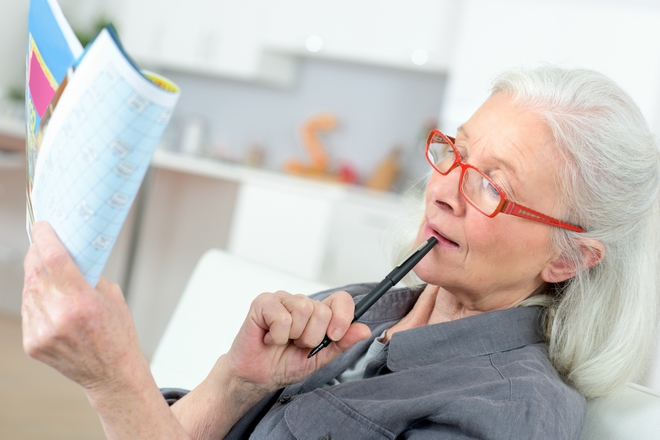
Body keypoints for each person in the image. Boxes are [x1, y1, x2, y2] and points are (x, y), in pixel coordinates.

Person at [21, 65, 660, 439]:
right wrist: (237, 383)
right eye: (455, 153)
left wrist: (115, 382)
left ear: (569, 258)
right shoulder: (359, 307)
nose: (443, 190)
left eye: (492, 186)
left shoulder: (508, 413)